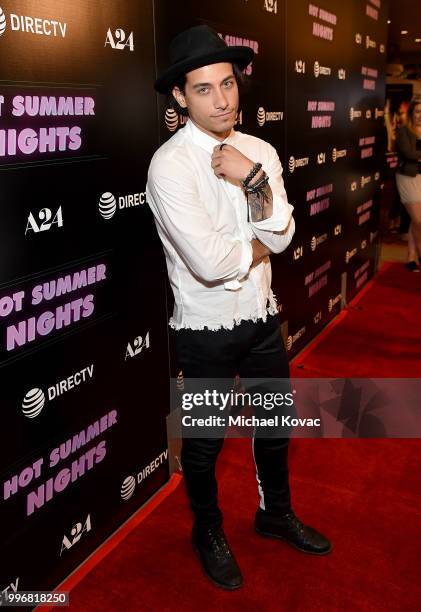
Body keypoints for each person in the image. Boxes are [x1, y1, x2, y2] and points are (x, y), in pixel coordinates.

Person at [146, 24, 331, 591]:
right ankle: (208, 530)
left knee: (276, 428)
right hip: (204, 328)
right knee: (203, 443)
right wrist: (255, 244)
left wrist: (250, 178)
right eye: (204, 90)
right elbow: (209, 261)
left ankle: (274, 512)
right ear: (180, 97)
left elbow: (280, 232)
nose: (222, 99)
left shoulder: (260, 152)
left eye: (227, 84)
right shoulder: (170, 166)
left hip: (261, 314)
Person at [395, 95, 421, 272]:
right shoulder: (404, 130)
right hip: (407, 177)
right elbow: (408, 153)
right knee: (419, 220)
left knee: (415, 220)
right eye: (418, 111)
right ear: (412, 112)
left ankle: (411, 257)